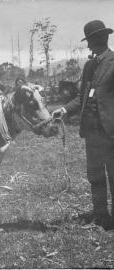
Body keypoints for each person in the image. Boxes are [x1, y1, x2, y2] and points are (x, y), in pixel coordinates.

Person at [52, 20, 114, 229]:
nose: (88, 46)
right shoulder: (89, 66)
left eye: (91, 41)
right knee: (95, 173)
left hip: (111, 132)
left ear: (102, 39)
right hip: (92, 132)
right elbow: (82, 96)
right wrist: (65, 109)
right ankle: (100, 213)